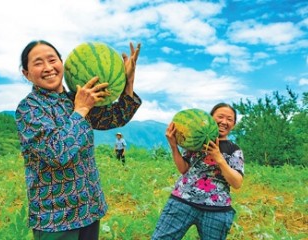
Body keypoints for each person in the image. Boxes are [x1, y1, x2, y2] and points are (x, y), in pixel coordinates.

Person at [15, 40, 141, 240]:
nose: (48, 68)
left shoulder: (75, 98)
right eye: (38, 63)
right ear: (26, 73)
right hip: (56, 218)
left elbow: (118, 116)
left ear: (62, 63)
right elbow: (56, 153)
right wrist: (81, 110)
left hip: (89, 208)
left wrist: (129, 81)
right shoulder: (29, 109)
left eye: (52, 60)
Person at [151, 103, 244, 240]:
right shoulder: (195, 142)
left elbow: (236, 183)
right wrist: (173, 146)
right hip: (183, 201)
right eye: (220, 117)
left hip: (216, 210)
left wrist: (219, 158)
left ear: (234, 125)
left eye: (229, 119)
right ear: (210, 119)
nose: (224, 122)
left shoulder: (234, 150)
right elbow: (184, 169)